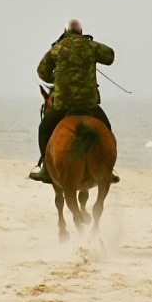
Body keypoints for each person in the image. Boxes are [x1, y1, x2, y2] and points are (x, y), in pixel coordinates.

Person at [29, 18, 118, 183]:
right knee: (106, 128)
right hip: (89, 104)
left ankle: (46, 170)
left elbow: (42, 72)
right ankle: (108, 169)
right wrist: (90, 46)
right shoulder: (91, 46)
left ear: (65, 31)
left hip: (63, 104)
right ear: (81, 32)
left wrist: (56, 77)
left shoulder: (57, 49)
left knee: (44, 129)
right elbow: (110, 57)